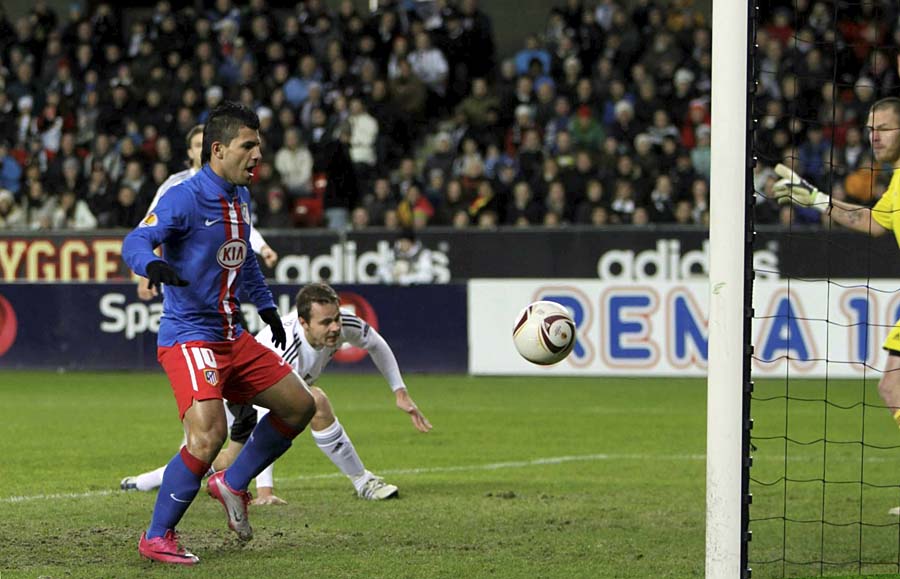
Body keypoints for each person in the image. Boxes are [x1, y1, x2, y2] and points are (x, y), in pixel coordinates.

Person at [121, 101, 317, 565]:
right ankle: (156, 536)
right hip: (189, 336)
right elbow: (135, 240)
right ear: (218, 149)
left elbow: (243, 256)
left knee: (300, 405)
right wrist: (151, 264)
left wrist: (266, 306)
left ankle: (231, 482)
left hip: (232, 336)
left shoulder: (239, 196)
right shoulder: (184, 197)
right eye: (248, 146)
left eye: (259, 147)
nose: (257, 156)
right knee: (208, 436)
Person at [123, 282, 433, 505]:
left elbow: (376, 344)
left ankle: (363, 481)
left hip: (255, 400)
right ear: (302, 323)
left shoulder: (343, 325)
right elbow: (264, 418)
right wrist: (265, 490)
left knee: (216, 462)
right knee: (211, 458)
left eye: (337, 318)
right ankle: (146, 481)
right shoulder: (284, 345)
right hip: (238, 400)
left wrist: (400, 392)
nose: (336, 328)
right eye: (326, 322)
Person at [773, 96, 900, 515]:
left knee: (893, 387)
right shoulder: (896, 181)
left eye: (883, 128)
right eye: (869, 128)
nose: (874, 137)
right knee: (892, 387)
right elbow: (871, 222)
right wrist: (815, 199)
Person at [137, 124, 278, 301]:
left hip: (220, 288)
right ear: (189, 152)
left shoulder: (230, 185)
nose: (202, 149)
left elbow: (241, 225)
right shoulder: (175, 185)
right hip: (185, 291)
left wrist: (263, 248)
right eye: (197, 145)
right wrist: (144, 272)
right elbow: (148, 230)